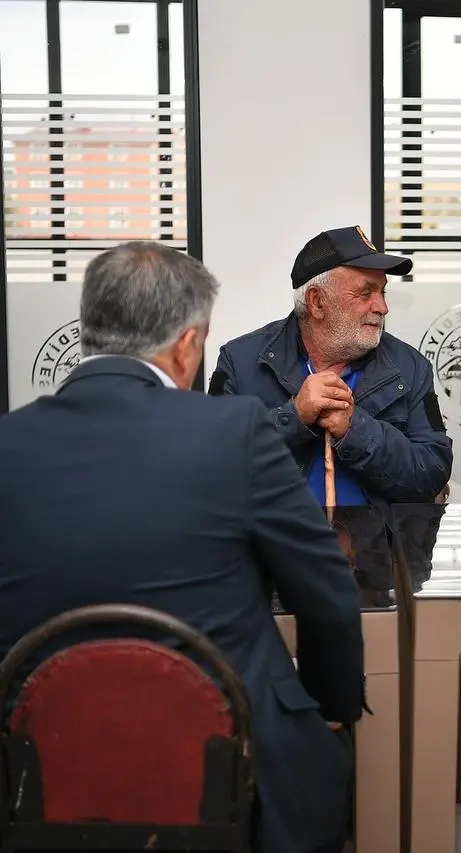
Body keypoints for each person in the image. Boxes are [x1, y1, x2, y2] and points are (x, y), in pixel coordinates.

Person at [0, 242, 363, 853]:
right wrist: (333, 708)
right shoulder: (236, 431)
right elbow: (326, 593)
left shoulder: (7, 445)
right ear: (187, 344)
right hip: (226, 766)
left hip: (37, 772)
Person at [211, 225, 453, 509]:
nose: (382, 307)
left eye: (382, 292)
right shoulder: (240, 361)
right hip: (275, 537)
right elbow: (213, 464)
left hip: (379, 538)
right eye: (366, 293)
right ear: (317, 302)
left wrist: (355, 429)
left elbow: (433, 472)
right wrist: (294, 417)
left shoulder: (410, 367)